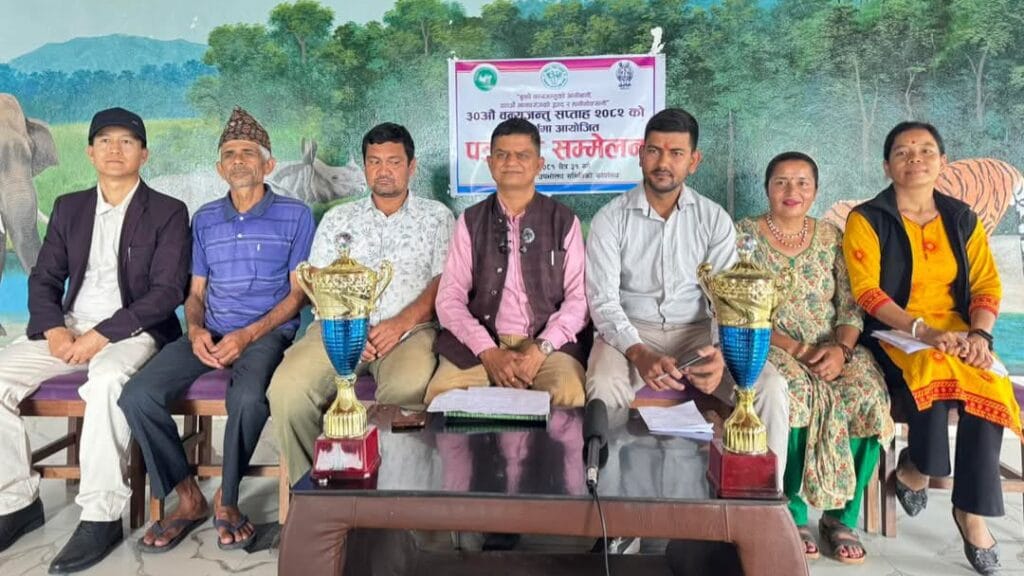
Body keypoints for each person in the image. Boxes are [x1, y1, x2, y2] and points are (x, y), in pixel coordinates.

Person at [585, 107, 789, 554]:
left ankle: (761, 517)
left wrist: (718, 350)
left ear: (693, 161)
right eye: (655, 150)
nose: (664, 162)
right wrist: (638, 352)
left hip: (698, 334)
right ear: (640, 154)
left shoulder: (713, 219)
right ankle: (615, 521)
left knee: (770, 388)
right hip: (630, 334)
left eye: (676, 153)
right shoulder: (610, 219)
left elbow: (727, 300)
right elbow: (603, 302)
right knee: (602, 384)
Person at [0, 108, 190, 573]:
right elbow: (44, 278)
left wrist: (102, 335)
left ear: (144, 154)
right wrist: (54, 328)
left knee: (106, 381)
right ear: (89, 153)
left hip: (134, 331)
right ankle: (16, 502)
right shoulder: (69, 207)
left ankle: (101, 516)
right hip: (70, 325)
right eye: (104, 141)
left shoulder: (168, 211)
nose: (114, 150)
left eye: (127, 142)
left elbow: (167, 292)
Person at [119, 107, 314, 552]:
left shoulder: (296, 215)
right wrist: (195, 330)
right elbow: (195, 292)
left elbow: (297, 295)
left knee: (247, 398)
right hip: (210, 332)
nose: (238, 160)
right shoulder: (205, 218)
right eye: (229, 154)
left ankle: (228, 497)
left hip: (266, 334)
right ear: (219, 168)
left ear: (269, 164)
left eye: (249, 152)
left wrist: (248, 336)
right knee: (137, 395)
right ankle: (188, 496)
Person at [844, 121, 1019, 575]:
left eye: (925, 151)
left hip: (958, 331)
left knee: (987, 383)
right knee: (932, 367)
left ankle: (971, 512)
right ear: (887, 166)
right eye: (903, 152)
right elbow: (868, 294)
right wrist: (922, 331)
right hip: (895, 332)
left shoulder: (962, 218)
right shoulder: (868, 219)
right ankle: (918, 467)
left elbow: (986, 285)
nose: (915, 159)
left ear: (942, 161)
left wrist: (979, 337)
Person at [268, 122, 454, 485]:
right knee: (287, 391)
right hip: (336, 331)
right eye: (374, 161)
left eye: (394, 162)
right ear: (365, 166)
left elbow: (442, 282)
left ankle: (391, 495)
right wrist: (351, 329)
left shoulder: (437, 217)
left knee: (407, 391)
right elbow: (316, 279)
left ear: (412, 166)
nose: (384, 170)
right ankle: (317, 495)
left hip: (407, 333)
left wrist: (399, 324)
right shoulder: (338, 218)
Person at [736, 151, 893, 564]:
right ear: (767, 189)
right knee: (794, 395)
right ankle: (793, 512)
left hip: (832, 344)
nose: (792, 190)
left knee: (866, 395)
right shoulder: (744, 235)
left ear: (816, 190)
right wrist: (798, 350)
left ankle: (841, 518)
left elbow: (850, 307)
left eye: (802, 182)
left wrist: (841, 350)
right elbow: (739, 307)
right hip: (771, 344)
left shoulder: (831, 237)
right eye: (781, 182)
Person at [425, 118, 589, 408]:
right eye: (502, 155)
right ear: (490, 163)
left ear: (539, 164)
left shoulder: (564, 220)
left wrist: (541, 348)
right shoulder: (470, 222)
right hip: (480, 341)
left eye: (522, 155)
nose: (511, 162)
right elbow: (449, 299)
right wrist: (488, 351)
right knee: (443, 398)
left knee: (568, 395)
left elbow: (580, 300)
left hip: (548, 344)